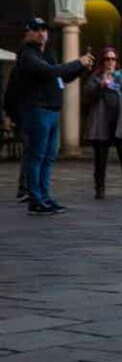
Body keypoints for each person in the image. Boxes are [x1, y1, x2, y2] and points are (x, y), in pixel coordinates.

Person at [17, 18, 94, 215]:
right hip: (38, 110)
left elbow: (63, 76)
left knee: (49, 157)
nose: (42, 33)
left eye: (44, 30)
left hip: (51, 110)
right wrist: (78, 62)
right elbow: (52, 72)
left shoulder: (46, 54)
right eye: (37, 30)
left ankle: (44, 196)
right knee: (37, 157)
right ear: (28, 33)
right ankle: (35, 199)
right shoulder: (27, 55)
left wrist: (80, 67)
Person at [84, 47, 122, 200]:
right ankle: (99, 188)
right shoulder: (95, 77)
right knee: (100, 159)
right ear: (102, 61)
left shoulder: (121, 77)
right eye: (107, 59)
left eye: (113, 59)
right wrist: (101, 85)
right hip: (101, 122)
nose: (111, 62)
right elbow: (88, 96)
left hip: (120, 121)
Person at [2, 62, 29, 202]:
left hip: (26, 114)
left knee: (30, 152)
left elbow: (9, 95)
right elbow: (10, 95)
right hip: (25, 115)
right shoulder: (19, 70)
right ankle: (25, 187)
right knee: (30, 151)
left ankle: (27, 187)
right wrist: (9, 116)